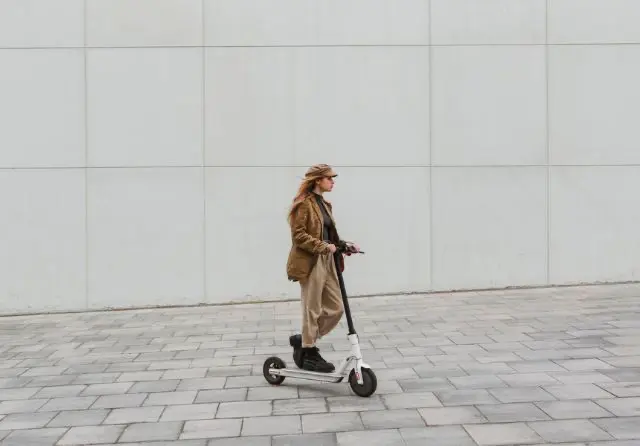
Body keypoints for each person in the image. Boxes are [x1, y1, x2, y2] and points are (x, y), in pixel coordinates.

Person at [285, 164, 359, 373]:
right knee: (312, 308)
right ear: (318, 180)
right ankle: (309, 352)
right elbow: (298, 235)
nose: (333, 181)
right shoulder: (303, 204)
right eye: (329, 178)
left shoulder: (325, 204)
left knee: (336, 308)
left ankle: (304, 340)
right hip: (311, 261)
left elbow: (327, 236)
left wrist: (344, 245)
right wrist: (323, 247)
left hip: (328, 260)